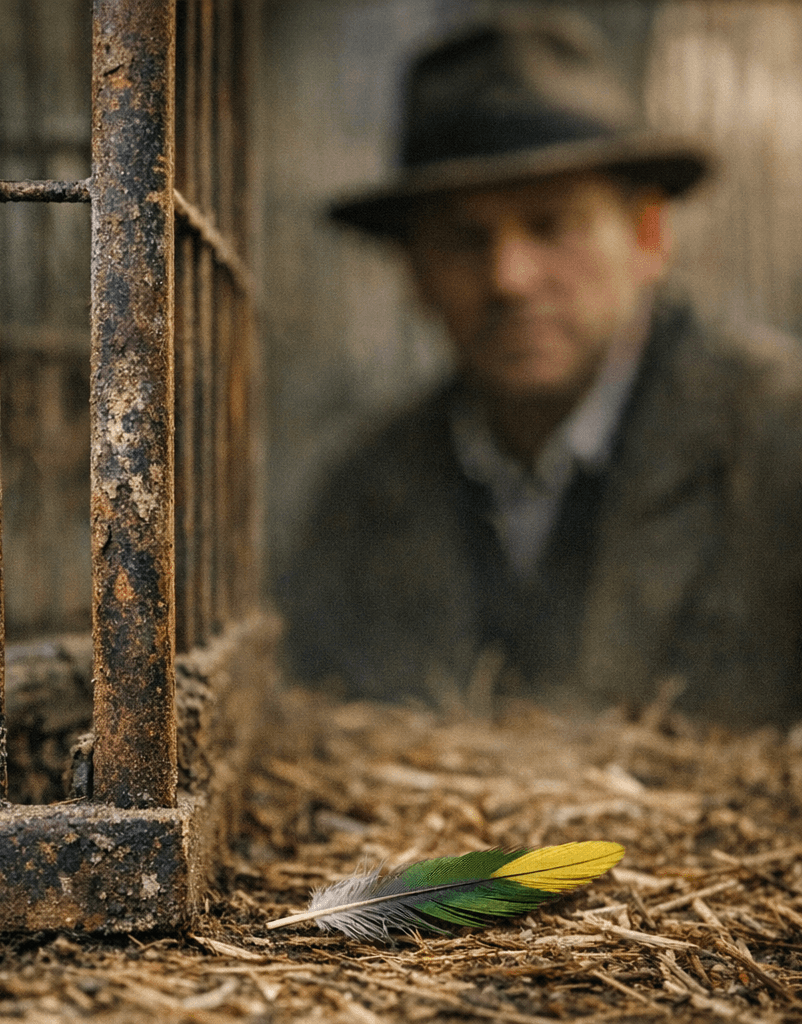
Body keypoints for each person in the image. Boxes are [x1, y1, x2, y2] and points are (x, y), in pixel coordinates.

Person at [278, 10, 802, 727]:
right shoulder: (363, 498)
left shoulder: (778, 444)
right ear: (416, 274)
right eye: (464, 239)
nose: (510, 278)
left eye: (552, 225)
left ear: (648, 236)